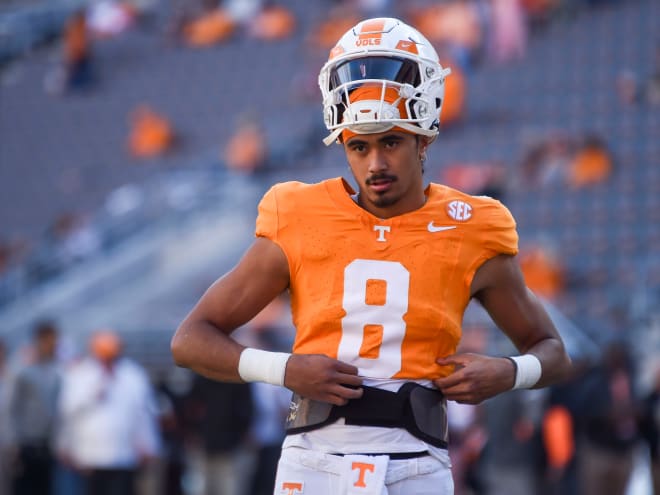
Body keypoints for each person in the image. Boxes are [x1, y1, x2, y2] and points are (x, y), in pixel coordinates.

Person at [171, 17, 571, 495]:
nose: (375, 163)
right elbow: (190, 339)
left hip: (418, 466)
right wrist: (283, 370)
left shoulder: (473, 227)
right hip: (313, 465)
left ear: (424, 138)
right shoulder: (298, 214)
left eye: (391, 141)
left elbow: (553, 352)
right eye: (358, 146)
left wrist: (507, 372)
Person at [56, 329, 161, 495]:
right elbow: (68, 412)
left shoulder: (132, 375)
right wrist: (64, 446)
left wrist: (149, 445)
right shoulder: (80, 374)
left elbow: (143, 414)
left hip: (124, 455)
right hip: (89, 456)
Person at [4, 320, 61, 495]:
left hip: (48, 444)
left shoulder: (56, 371)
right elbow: (12, 407)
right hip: (25, 444)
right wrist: (14, 442)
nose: (53, 345)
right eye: (49, 341)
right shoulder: (23, 370)